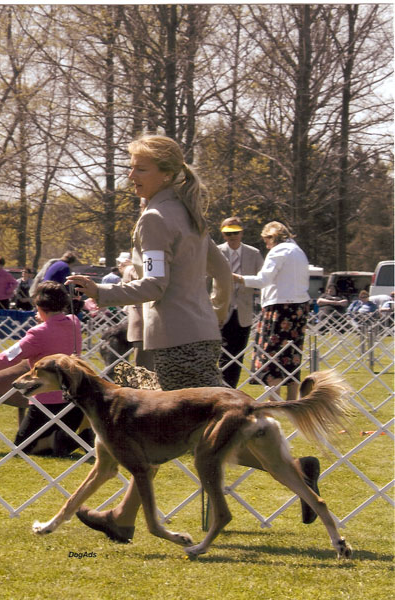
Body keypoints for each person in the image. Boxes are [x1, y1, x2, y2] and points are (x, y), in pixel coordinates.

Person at [66, 135, 320, 541]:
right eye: (131, 167)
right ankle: (123, 518)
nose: (131, 176)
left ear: (167, 173)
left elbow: (154, 286)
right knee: (176, 432)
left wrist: (102, 293)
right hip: (197, 334)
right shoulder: (189, 212)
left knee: (185, 432)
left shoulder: (155, 217)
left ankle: (297, 472)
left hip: (173, 341)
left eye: (140, 168)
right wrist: (216, 311)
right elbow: (221, 273)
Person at [0, 281, 86, 456]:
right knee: (29, 445)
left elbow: (6, 358)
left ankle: (62, 440)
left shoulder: (37, 334)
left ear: (38, 306)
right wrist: (48, 318)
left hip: (46, 401)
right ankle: (71, 438)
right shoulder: (74, 322)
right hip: (73, 398)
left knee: (23, 448)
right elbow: (64, 318)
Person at [233, 221, 310, 402]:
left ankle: (274, 401)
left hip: (279, 308)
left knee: (271, 354)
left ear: (272, 237)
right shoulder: (298, 252)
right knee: (292, 356)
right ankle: (292, 400)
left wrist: (236, 278)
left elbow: (263, 280)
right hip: (299, 308)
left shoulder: (278, 251)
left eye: (267, 240)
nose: (266, 245)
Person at [217, 216, 264, 388]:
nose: (233, 236)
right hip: (220, 311)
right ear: (223, 235)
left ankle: (230, 390)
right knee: (220, 355)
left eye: (236, 232)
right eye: (228, 234)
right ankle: (217, 389)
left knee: (237, 355)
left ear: (242, 233)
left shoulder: (254, 253)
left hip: (243, 313)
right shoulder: (216, 252)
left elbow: (263, 279)